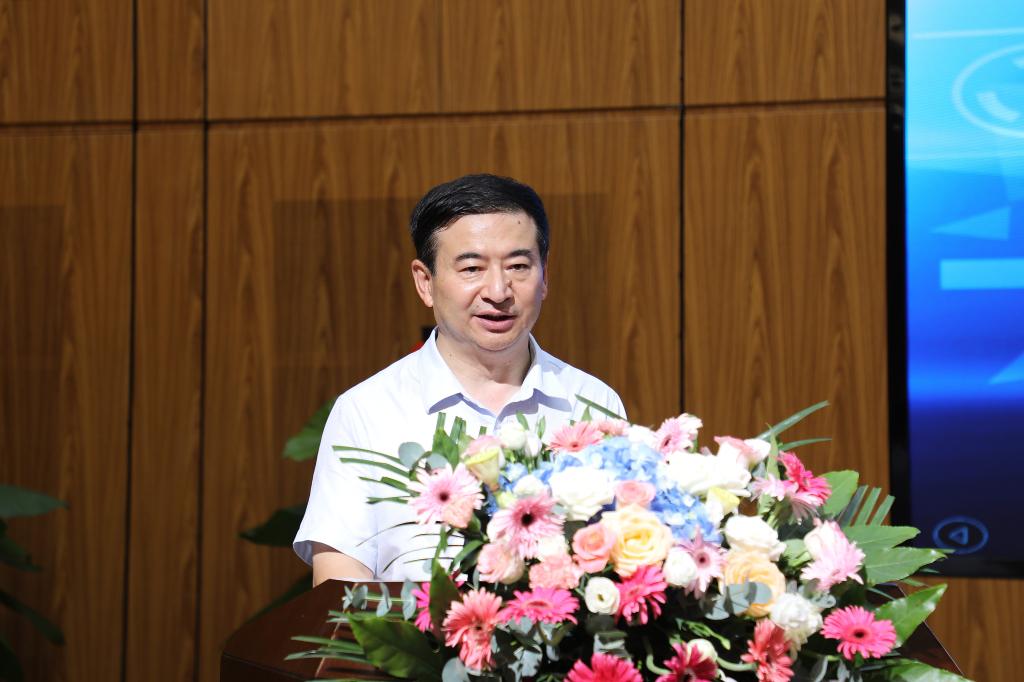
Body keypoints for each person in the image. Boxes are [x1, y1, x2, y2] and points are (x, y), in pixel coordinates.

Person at [294, 174, 625, 585]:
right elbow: (340, 586)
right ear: (425, 282)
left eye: (519, 266)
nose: (499, 290)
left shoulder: (591, 403)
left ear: (545, 276)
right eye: (472, 268)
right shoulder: (367, 411)